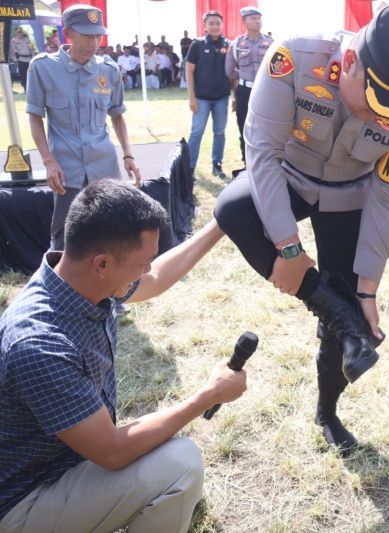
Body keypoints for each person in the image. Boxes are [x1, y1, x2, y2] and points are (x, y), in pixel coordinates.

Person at [214, 5, 389, 453]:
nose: (380, 119)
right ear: (350, 63)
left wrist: (368, 291)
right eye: (373, 103)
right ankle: (329, 306)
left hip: (348, 194)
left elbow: (387, 197)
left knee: (350, 301)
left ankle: (328, 409)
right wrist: (289, 248)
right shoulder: (295, 58)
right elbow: (261, 152)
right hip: (289, 177)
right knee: (233, 209)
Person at [0, 181, 247, 532]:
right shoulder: (40, 344)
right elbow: (113, 452)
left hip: (63, 465)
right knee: (181, 466)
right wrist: (208, 396)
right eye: (141, 263)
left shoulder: (79, 282)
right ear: (101, 263)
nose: (146, 271)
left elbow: (158, 277)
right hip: (23, 502)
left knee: (167, 464)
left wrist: (221, 225)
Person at [26, 4, 141, 251]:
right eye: (87, 35)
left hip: (104, 164)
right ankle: (58, 284)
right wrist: (48, 161)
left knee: (110, 229)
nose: (94, 42)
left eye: (98, 36)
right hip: (66, 168)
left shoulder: (108, 70)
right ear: (68, 33)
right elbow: (35, 117)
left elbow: (117, 116)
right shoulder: (42, 67)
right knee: (65, 234)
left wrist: (128, 155)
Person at [186, 10, 231, 179]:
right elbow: (189, 71)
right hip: (201, 98)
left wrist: (235, 97)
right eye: (211, 23)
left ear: (222, 25)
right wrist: (192, 97)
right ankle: (189, 168)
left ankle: (217, 164)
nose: (214, 26)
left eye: (217, 23)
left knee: (220, 132)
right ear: (204, 25)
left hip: (221, 98)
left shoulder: (228, 44)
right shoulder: (197, 44)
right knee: (196, 133)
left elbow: (232, 73)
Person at [226, 6, 273, 164]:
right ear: (244, 21)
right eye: (253, 18)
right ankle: (247, 163)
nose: (257, 21)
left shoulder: (272, 43)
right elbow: (229, 70)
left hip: (265, 91)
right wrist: (245, 76)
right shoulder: (236, 43)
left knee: (267, 128)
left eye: (259, 18)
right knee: (244, 126)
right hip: (244, 91)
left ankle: (266, 162)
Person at [10, 27, 35, 92]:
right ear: (16, 33)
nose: (19, 33)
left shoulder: (27, 40)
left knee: (30, 73)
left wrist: (33, 57)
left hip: (29, 59)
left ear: (22, 33)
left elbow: (31, 49)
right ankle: (25, 88)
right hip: (21, 59)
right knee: (23, 74)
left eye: (21, 32)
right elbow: (13, 50)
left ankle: (31, 88)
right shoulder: (14, 40)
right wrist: (14, 58)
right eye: (18, 32)